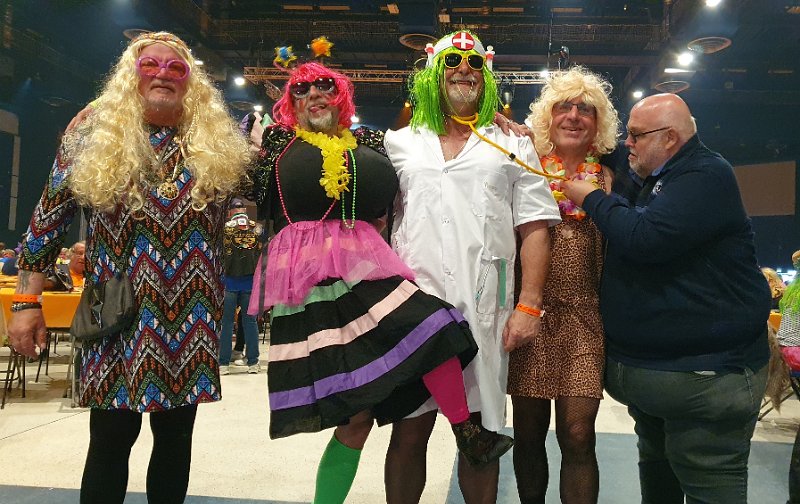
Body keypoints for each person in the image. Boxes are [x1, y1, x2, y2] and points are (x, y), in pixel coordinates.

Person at [247, 60, 513, 504]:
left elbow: (423, 150)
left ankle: (467, 430)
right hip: (314, 284)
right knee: (355, 420)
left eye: (324, 86)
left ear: (341, 96)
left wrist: (496, 120)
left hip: (364, 269)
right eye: (301, 90)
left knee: (433, 328)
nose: (314, 95)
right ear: (290, 103)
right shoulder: (277, 142)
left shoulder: (371, 142)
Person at [8, 31, 250, 503]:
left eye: (176, 68)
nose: (163, 74)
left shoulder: (217, 141)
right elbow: (46, 221)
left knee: (176, 440)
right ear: (129, 77)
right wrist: (25, 302)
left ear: (191, 82)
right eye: (150, 65)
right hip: (114, 311)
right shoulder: (92, 134)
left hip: (190, 315)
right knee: (109, 440)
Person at [562, 93, 770, 504]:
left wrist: (592, 197)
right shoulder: (650, 172)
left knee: (711, 483)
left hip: (707, 376)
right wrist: (523, 132)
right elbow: (594, 141)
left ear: (670, 138)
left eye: (636, 135)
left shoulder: (705, 175)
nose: (627, 144)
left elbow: (645, 238)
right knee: (658, 475)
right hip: (656, 376)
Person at [384, 31, 560, 503]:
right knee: (408, 431)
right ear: (431, 74)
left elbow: (535, 227)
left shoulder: (512, 143)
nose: (463, 69)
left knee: (480, 437)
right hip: (414, 311)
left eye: (474, 63)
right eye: (451, 61)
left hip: (484, 311)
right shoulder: (399, 142)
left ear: (487, 76)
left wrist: (529, 305)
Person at [506, 66, 619, 504]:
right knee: (528, 433)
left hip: (585, 320)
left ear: (598, 123)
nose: (574, 116)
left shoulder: (610, 178)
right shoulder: (525, 168)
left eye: (585, 109)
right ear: (547, 118)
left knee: (577, 433)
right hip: (531, 317)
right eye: (563, 107)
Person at [219, 199, 262, 375]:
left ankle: (223, 363)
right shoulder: (256, 228)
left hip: (229, 282)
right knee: (250, 323)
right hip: (249, 281)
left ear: (229, 211)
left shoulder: (224, 229)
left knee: (227, 323)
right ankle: (253, 363)